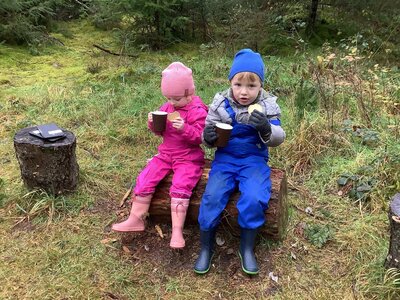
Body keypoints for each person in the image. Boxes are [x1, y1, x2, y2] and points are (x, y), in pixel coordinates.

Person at [193, 49, 285, 275]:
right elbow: (206, 134)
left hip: (254, 160)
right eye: (238, 85)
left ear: (260, 85)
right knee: (212, 197)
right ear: (230, 82)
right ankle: (206, 247)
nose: (244, 92)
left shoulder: (267, 104)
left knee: (254, 197)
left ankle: (247, 248)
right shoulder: (221, 103)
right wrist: (209, 138)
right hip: (225, 159)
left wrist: (265, 127)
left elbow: (278, 137)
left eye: (251, 86)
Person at [112, 62, 208, 249]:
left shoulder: (197, 110)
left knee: (181, 185)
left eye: (177, 98)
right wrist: (153, 123)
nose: (172, 102)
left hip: (188, 156)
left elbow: (200, 137)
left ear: (190, 93)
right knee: (146, 177)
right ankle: (135, 219)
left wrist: (185, 128)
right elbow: (160, 132)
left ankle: (177, 231)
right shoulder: (167, 107)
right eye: (168, 98)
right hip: (166, 154)